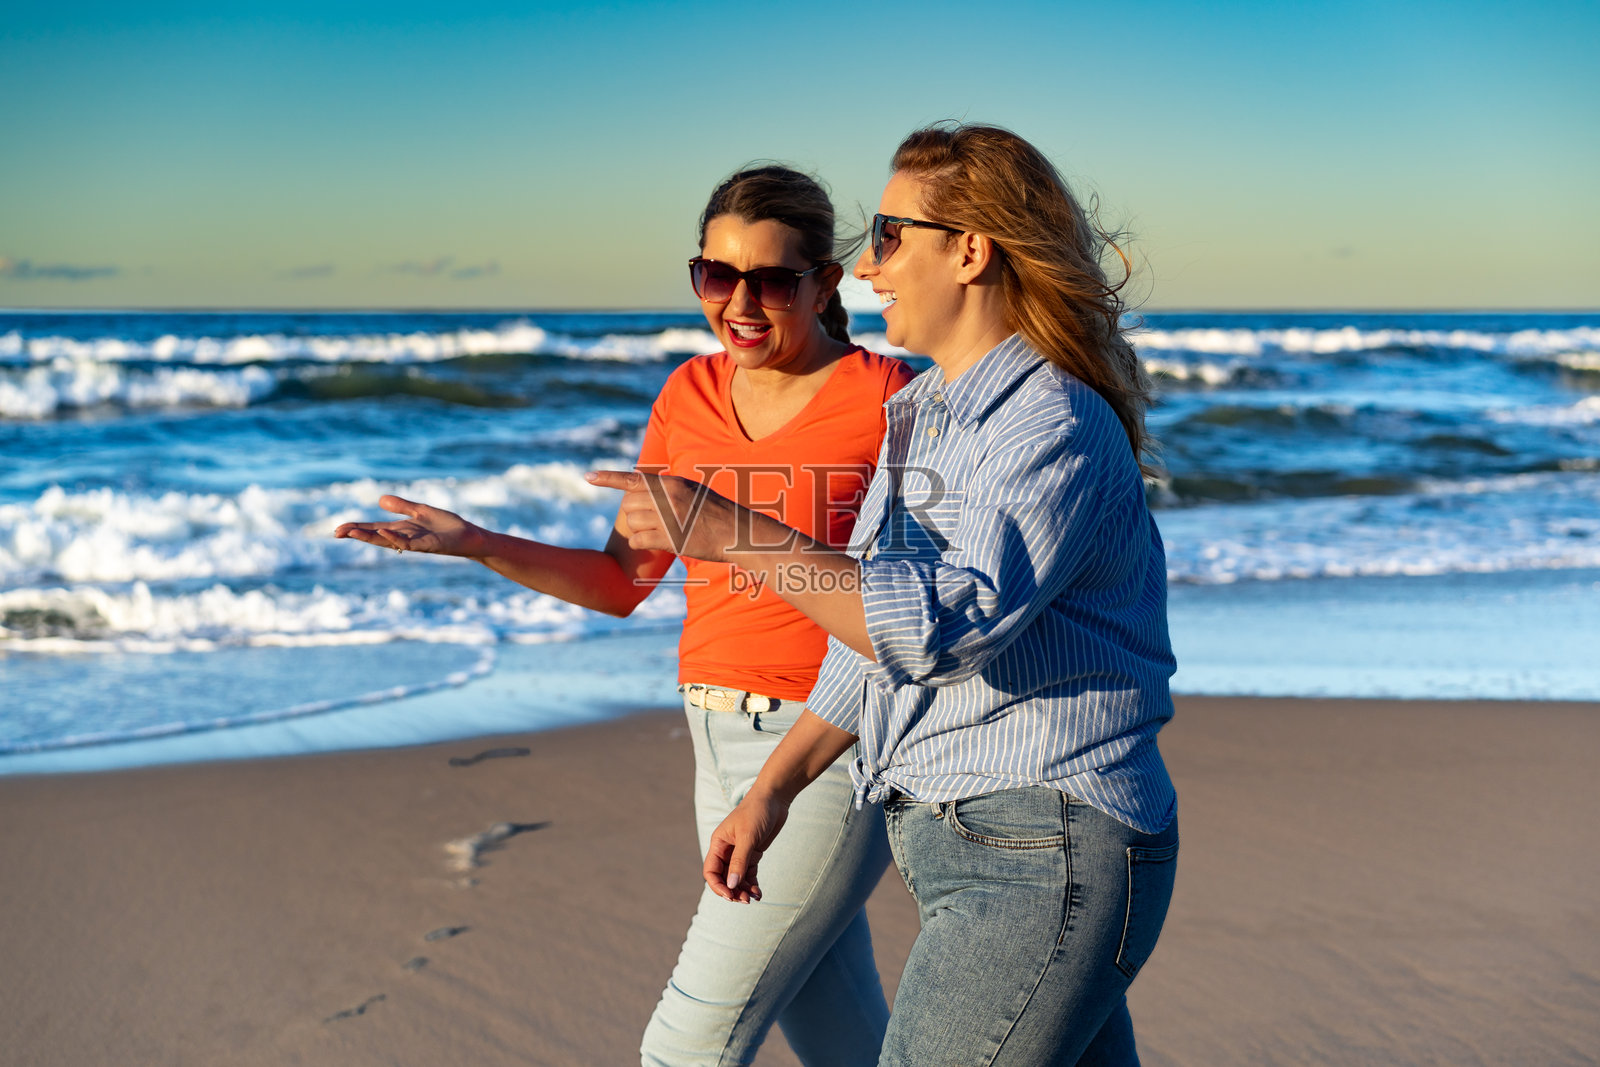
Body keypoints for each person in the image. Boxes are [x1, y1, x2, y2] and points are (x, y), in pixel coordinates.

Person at [592, 124, 1179, 1066]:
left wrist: (728, 530)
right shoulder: (923, 415)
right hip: (966, 846)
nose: (868, 266)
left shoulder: (1051, 422)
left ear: (972, 251)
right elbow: (871, 633)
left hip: (1045, 846)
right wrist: (774, 791)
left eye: (892, 234)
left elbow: (939, 630)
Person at [336, 165, 915, 1067]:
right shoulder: (687, 394)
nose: (742, 303)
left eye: (771, 280)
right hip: (713, 742)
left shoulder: (889, 398)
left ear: (825, 282)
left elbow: (908, 611)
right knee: (841, 1038)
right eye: (717, 277)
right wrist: (480, 542)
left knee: (687, 1045)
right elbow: (619, 579)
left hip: (827, 749)